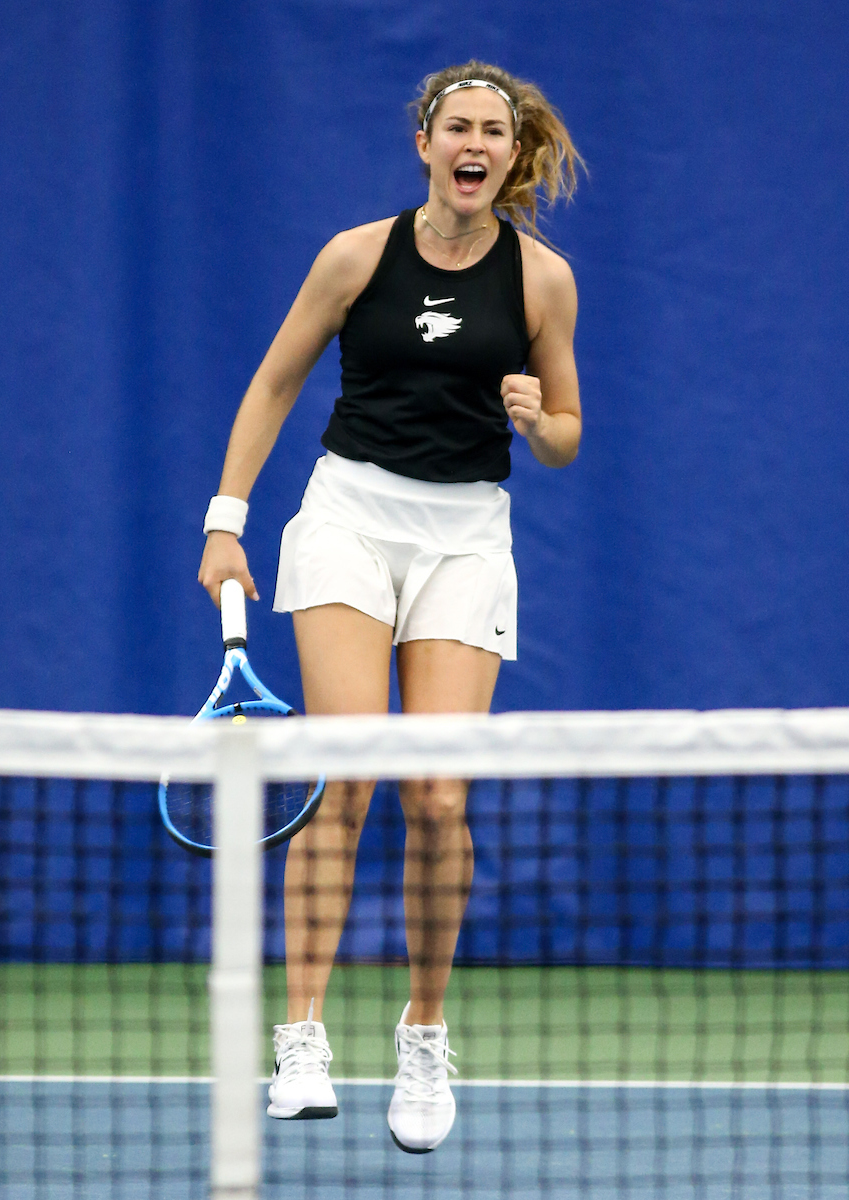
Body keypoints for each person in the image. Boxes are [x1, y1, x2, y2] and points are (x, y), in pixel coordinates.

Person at [197, 60, 582, 1154]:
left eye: (493, 132)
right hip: (349, 520)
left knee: (441, 802)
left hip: (467, 532)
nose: (475, 144)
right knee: (346, 775)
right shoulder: (356, 257)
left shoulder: (543, 281)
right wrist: (224, 523)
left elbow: (565, 435)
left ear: (511, 155)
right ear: (426, 143)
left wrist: (536, 415)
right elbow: (274, 383)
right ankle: (304, 1036)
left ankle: (423, 1032)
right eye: (456, 125)